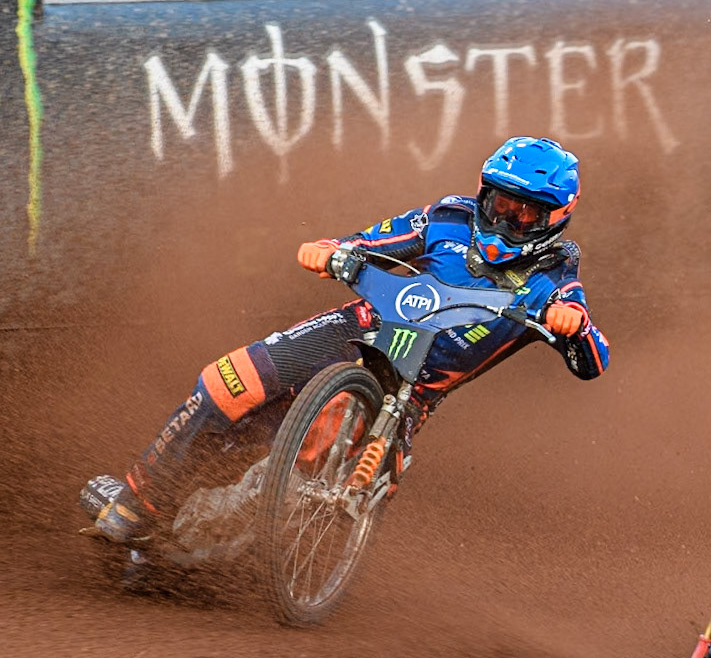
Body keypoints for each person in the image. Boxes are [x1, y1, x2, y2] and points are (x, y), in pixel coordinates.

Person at [82, 137, 610, 544]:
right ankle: (138, 503)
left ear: (556, 217)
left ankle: (222, 546)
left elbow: (593, 361)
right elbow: (376, 238)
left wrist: (573, 325)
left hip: (409, 393)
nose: (507, 218)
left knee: (298, 461)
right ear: (483, 192)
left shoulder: (556, 274)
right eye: (499, 202)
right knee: (226, 381)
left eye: (525, 213)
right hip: (353, 330)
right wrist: (334, 248)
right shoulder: (449, 217)